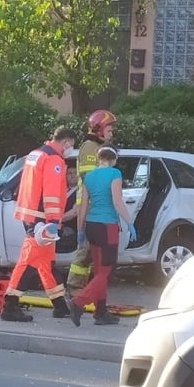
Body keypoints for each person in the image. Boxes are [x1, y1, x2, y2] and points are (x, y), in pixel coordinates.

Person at [1, 126, 78, 322]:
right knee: (27, 263)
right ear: (66, 141)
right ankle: (10, 305)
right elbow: (52, 192)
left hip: (30, 214)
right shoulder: (54, 160)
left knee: (45, 263)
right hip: (42, 218)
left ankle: (59, 305)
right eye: (71, 145)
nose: (70, 149)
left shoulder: (35, 154)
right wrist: (52, 220)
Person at [67, 146, 136, 327]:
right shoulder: (115, 173)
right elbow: (117, 200)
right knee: (106, 270)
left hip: (91, 226)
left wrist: (80, 229)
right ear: (113, 159)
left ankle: (101, 311)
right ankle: (78, 303)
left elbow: (83, 206)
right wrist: (129, 221)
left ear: (99, 159)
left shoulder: (89, 177)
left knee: (98, 270)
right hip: (108, 226)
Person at [66, 109, 116, 293]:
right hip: (90, 210)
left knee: (90, 253)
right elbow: (91, 180)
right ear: (99, 129)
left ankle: (80, 291)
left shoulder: (98, 149)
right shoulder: (90, 148)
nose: (112, 132)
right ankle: (73, 291)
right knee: (85, 252)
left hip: (95, 210)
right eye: (109, 128)